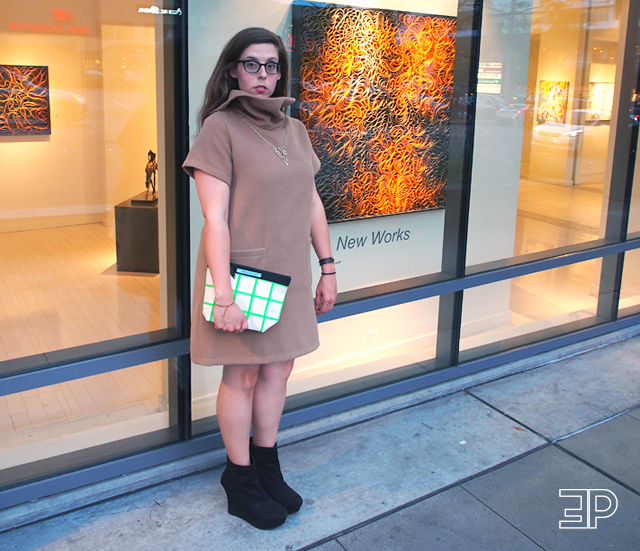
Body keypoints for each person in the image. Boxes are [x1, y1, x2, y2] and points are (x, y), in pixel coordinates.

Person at [182, 27, 337, 530]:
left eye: (272, 66)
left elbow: (312, 201)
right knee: (243, 375)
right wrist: (223, 295)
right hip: (244, 276)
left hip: (290, 271)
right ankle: (240, 476)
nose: (263, 75)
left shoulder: (295, 131)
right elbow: (216, 221)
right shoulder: (219, 129)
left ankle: (267, 463)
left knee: (278, 372)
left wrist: (327, 267)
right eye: (252, 64)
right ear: (232, 69)